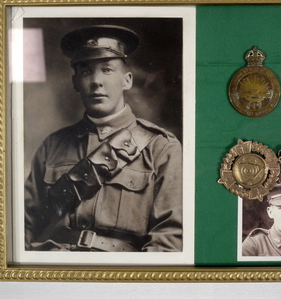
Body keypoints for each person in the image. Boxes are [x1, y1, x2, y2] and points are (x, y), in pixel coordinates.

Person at [24, 25, 183, 252]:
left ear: (127, 80)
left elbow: (170, 239)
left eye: (107, 70)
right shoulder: (53, 146)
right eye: (87, 71)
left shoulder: (161, 147)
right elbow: (24, 225)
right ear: (75, 82)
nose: (96, 81)